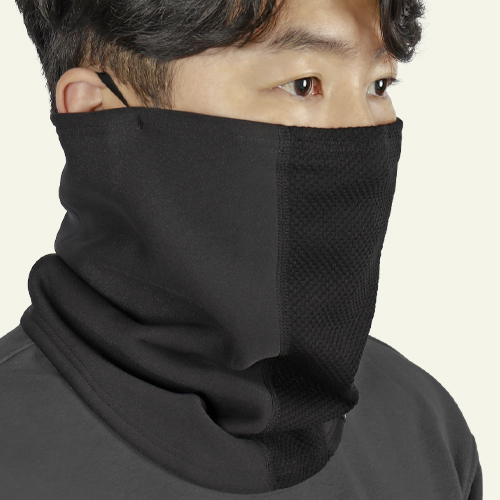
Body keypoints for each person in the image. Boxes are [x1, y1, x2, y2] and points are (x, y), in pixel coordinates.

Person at [0, 0, 482, 498]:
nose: (362, 129)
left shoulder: (422, 427)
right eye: (303, 84)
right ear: (97, 110)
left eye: (378, 85)